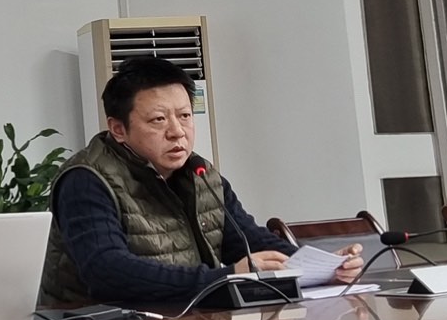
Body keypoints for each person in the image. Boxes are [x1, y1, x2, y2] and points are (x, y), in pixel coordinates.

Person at [40, 56, 363, 307]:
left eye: (184, 116)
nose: (177, 131)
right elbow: (108, 272)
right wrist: (227, 277)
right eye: (158, 120)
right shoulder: (86, 179)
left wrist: (323, 266)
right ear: (118, 129)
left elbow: (248, 242)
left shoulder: (200, 173)